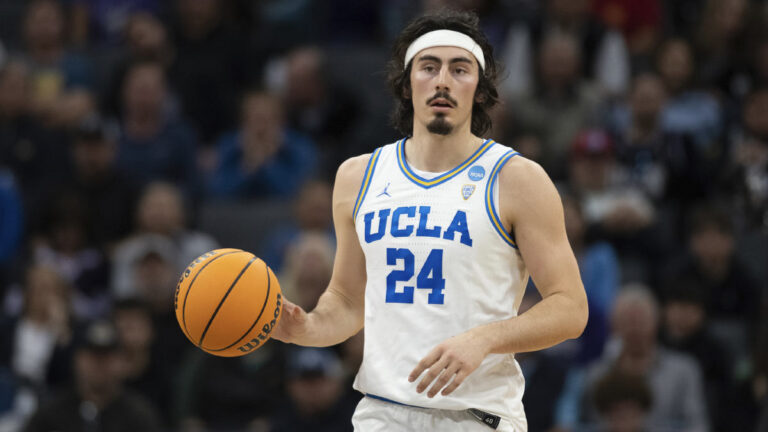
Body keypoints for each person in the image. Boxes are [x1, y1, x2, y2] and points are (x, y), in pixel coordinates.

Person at [273, 10, 588, 431]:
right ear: (407, 85)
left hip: (476, 416)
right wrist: (304, 327)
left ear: (479, 89)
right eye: (429, 66)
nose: (443, 80)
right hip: (382, 414)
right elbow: (348, 302)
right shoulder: (357, 176)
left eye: (460, 69)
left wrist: (485, 338)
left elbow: (570, 309)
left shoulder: (517, 179)